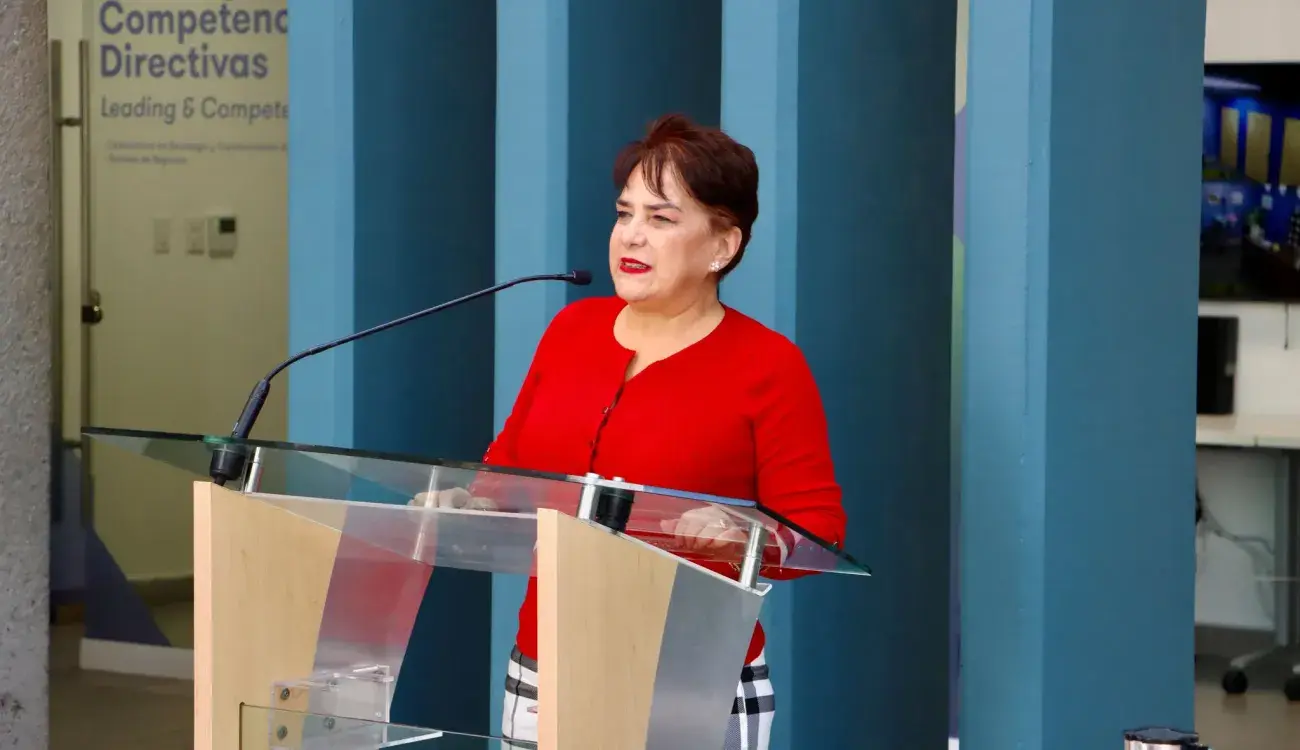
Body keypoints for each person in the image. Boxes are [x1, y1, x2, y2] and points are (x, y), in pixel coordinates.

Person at [455, 114, 846, 749]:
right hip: (545, 668)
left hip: (692, 681)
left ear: (723, 245)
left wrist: (744, 534)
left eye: (661, 219)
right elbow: (507, 471)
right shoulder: (571, 332)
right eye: (624, 214)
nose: (630, 235)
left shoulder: (768, 366)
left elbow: (818, 532)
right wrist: (464, 504)